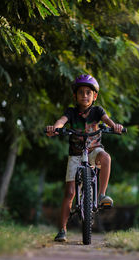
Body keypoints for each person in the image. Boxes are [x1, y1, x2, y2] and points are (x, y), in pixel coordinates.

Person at [46, 74, 123, 242]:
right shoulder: (71, 112)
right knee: (70, 192)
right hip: (75, 155)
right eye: (81, 92)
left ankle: (102, 195)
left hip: (94, 151)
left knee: (106, 158)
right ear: (75, 96)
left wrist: (115, 126)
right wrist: (55, 128)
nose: (85, 96)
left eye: (88, 92)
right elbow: (61, 121)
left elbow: (107, 120)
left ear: (94, 96)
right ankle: (62, 230)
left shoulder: (97, 111)